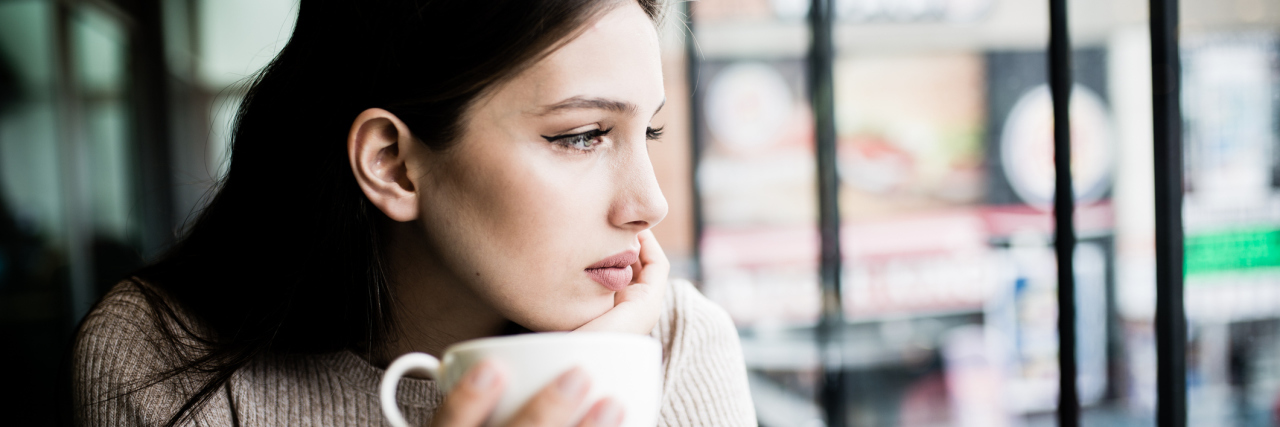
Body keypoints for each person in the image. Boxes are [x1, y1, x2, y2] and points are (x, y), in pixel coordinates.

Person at [70, 0, 757, 426]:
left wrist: (595, 368)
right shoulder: (169, 360)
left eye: (652, 133)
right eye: (580, 135)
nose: (651, 204)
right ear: (393, 163)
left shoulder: (678, 340)